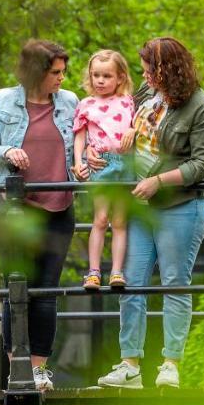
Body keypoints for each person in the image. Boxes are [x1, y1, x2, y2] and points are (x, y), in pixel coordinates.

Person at [96, 37, 204, 390]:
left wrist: (160, 181)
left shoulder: (200, 107)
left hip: (181, 206)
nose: (144, 75)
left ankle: (170, 365)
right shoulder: (146, 98)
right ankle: (129, 364)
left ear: (167, 70)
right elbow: (121, 131)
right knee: (130, 282)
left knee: (175, 282)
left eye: (149, 69)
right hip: (140, 206)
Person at [0, 39, 78, 392]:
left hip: (59, 209)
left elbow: (83, 145)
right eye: (55, 73)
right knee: (16, 287)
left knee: (47, 289)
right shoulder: (5, 100)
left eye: (64, 72)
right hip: (16, 210)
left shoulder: (70, 102)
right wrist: (7, 151)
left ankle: (38, 371)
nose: (62, 79)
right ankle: (15, 365)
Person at [72, 49, 136, 291]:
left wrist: (133, 131)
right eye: (96, 75)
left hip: (125, 163)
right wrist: (79, 161)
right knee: (100, 218)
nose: (100, 80)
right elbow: (79, 137)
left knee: (119, 221)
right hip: (101, 163)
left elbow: (138, 126)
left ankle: (117, 272)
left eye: (107, 76)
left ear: (120, 77)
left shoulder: (129, 102)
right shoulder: (86, 104)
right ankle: (94, 272)